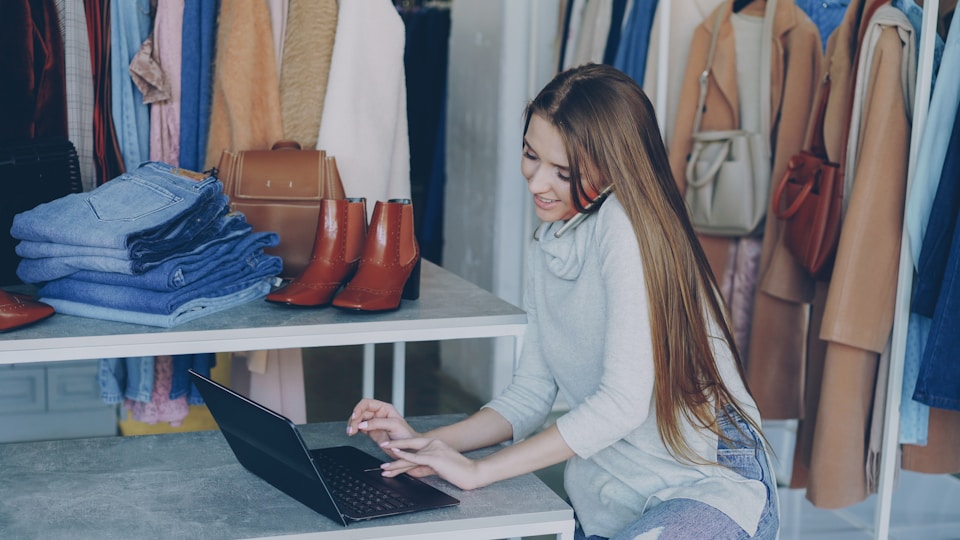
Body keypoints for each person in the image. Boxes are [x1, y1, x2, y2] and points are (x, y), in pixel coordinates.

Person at [346, 63, 780, 539]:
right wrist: (428, 443)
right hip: (610, 482)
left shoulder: (625, 226)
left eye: (563, 171)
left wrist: (478, 471)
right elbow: (531, 393)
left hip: (704, 480)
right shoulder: (551, 238)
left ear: (615, 168)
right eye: (531, 155)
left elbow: (620, 405)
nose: (535, 183)